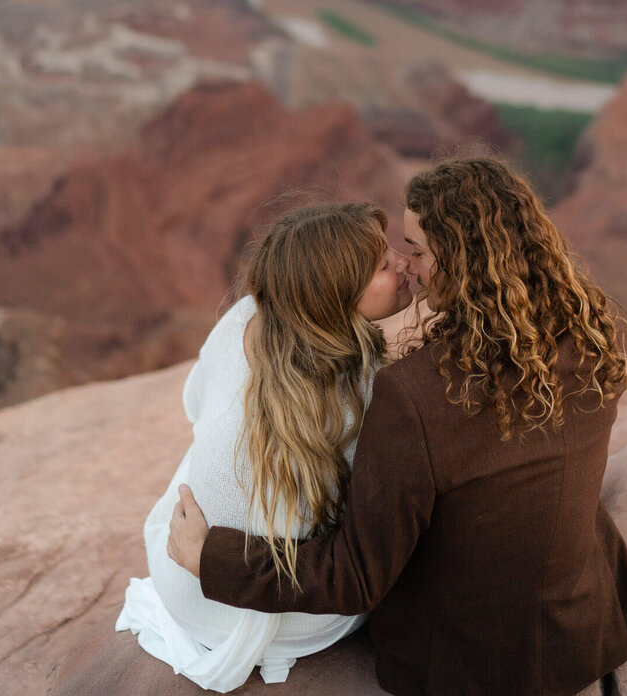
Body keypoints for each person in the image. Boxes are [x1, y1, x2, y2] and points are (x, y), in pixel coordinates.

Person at [168, 157, 627, 696]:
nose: (408, 265)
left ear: (458, 262)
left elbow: (356, 575)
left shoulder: (413, 396)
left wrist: (210, 557)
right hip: (584, 625)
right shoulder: (605, 329)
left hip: (469, 666)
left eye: (417, 251)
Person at [116, 202, 412, 691]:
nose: (403, 261)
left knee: (213, 439)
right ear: (340, 298)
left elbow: (194, 403)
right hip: (299, 620)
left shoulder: (246, 315)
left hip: (186, 593)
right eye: (383, 265)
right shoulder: (374, 382)